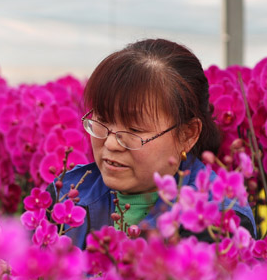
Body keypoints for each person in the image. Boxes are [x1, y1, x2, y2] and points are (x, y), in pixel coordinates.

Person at [55, 38, 256, 248]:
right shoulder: (68, 193)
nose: (112, 144)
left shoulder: (218, 224)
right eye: (102, 121)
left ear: (188, 134)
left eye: (134, 130)